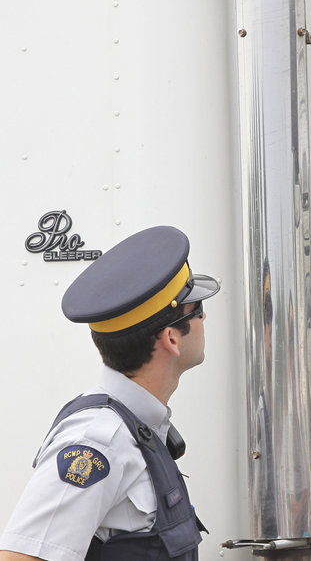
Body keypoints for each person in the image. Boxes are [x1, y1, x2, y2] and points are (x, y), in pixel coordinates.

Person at [0, 225, 220, 561]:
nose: (205, 317)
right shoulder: (98, 441)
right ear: (172, 339)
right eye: (198, 308)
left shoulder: (137, 429)